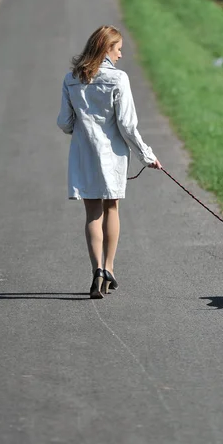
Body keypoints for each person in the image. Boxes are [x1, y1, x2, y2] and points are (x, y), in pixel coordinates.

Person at [57, 25, 162, 299]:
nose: (121, 54)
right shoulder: (118, 79)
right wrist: (147, 155)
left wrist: (80, 128)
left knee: (92, 214)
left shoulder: (71, 79)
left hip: (83, 153)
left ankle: (96, 271)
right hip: (112, 155)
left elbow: (64, 122)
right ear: (106, 49)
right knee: (111, 207)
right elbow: (127, 125)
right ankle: (109, 267)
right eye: (118, 49)